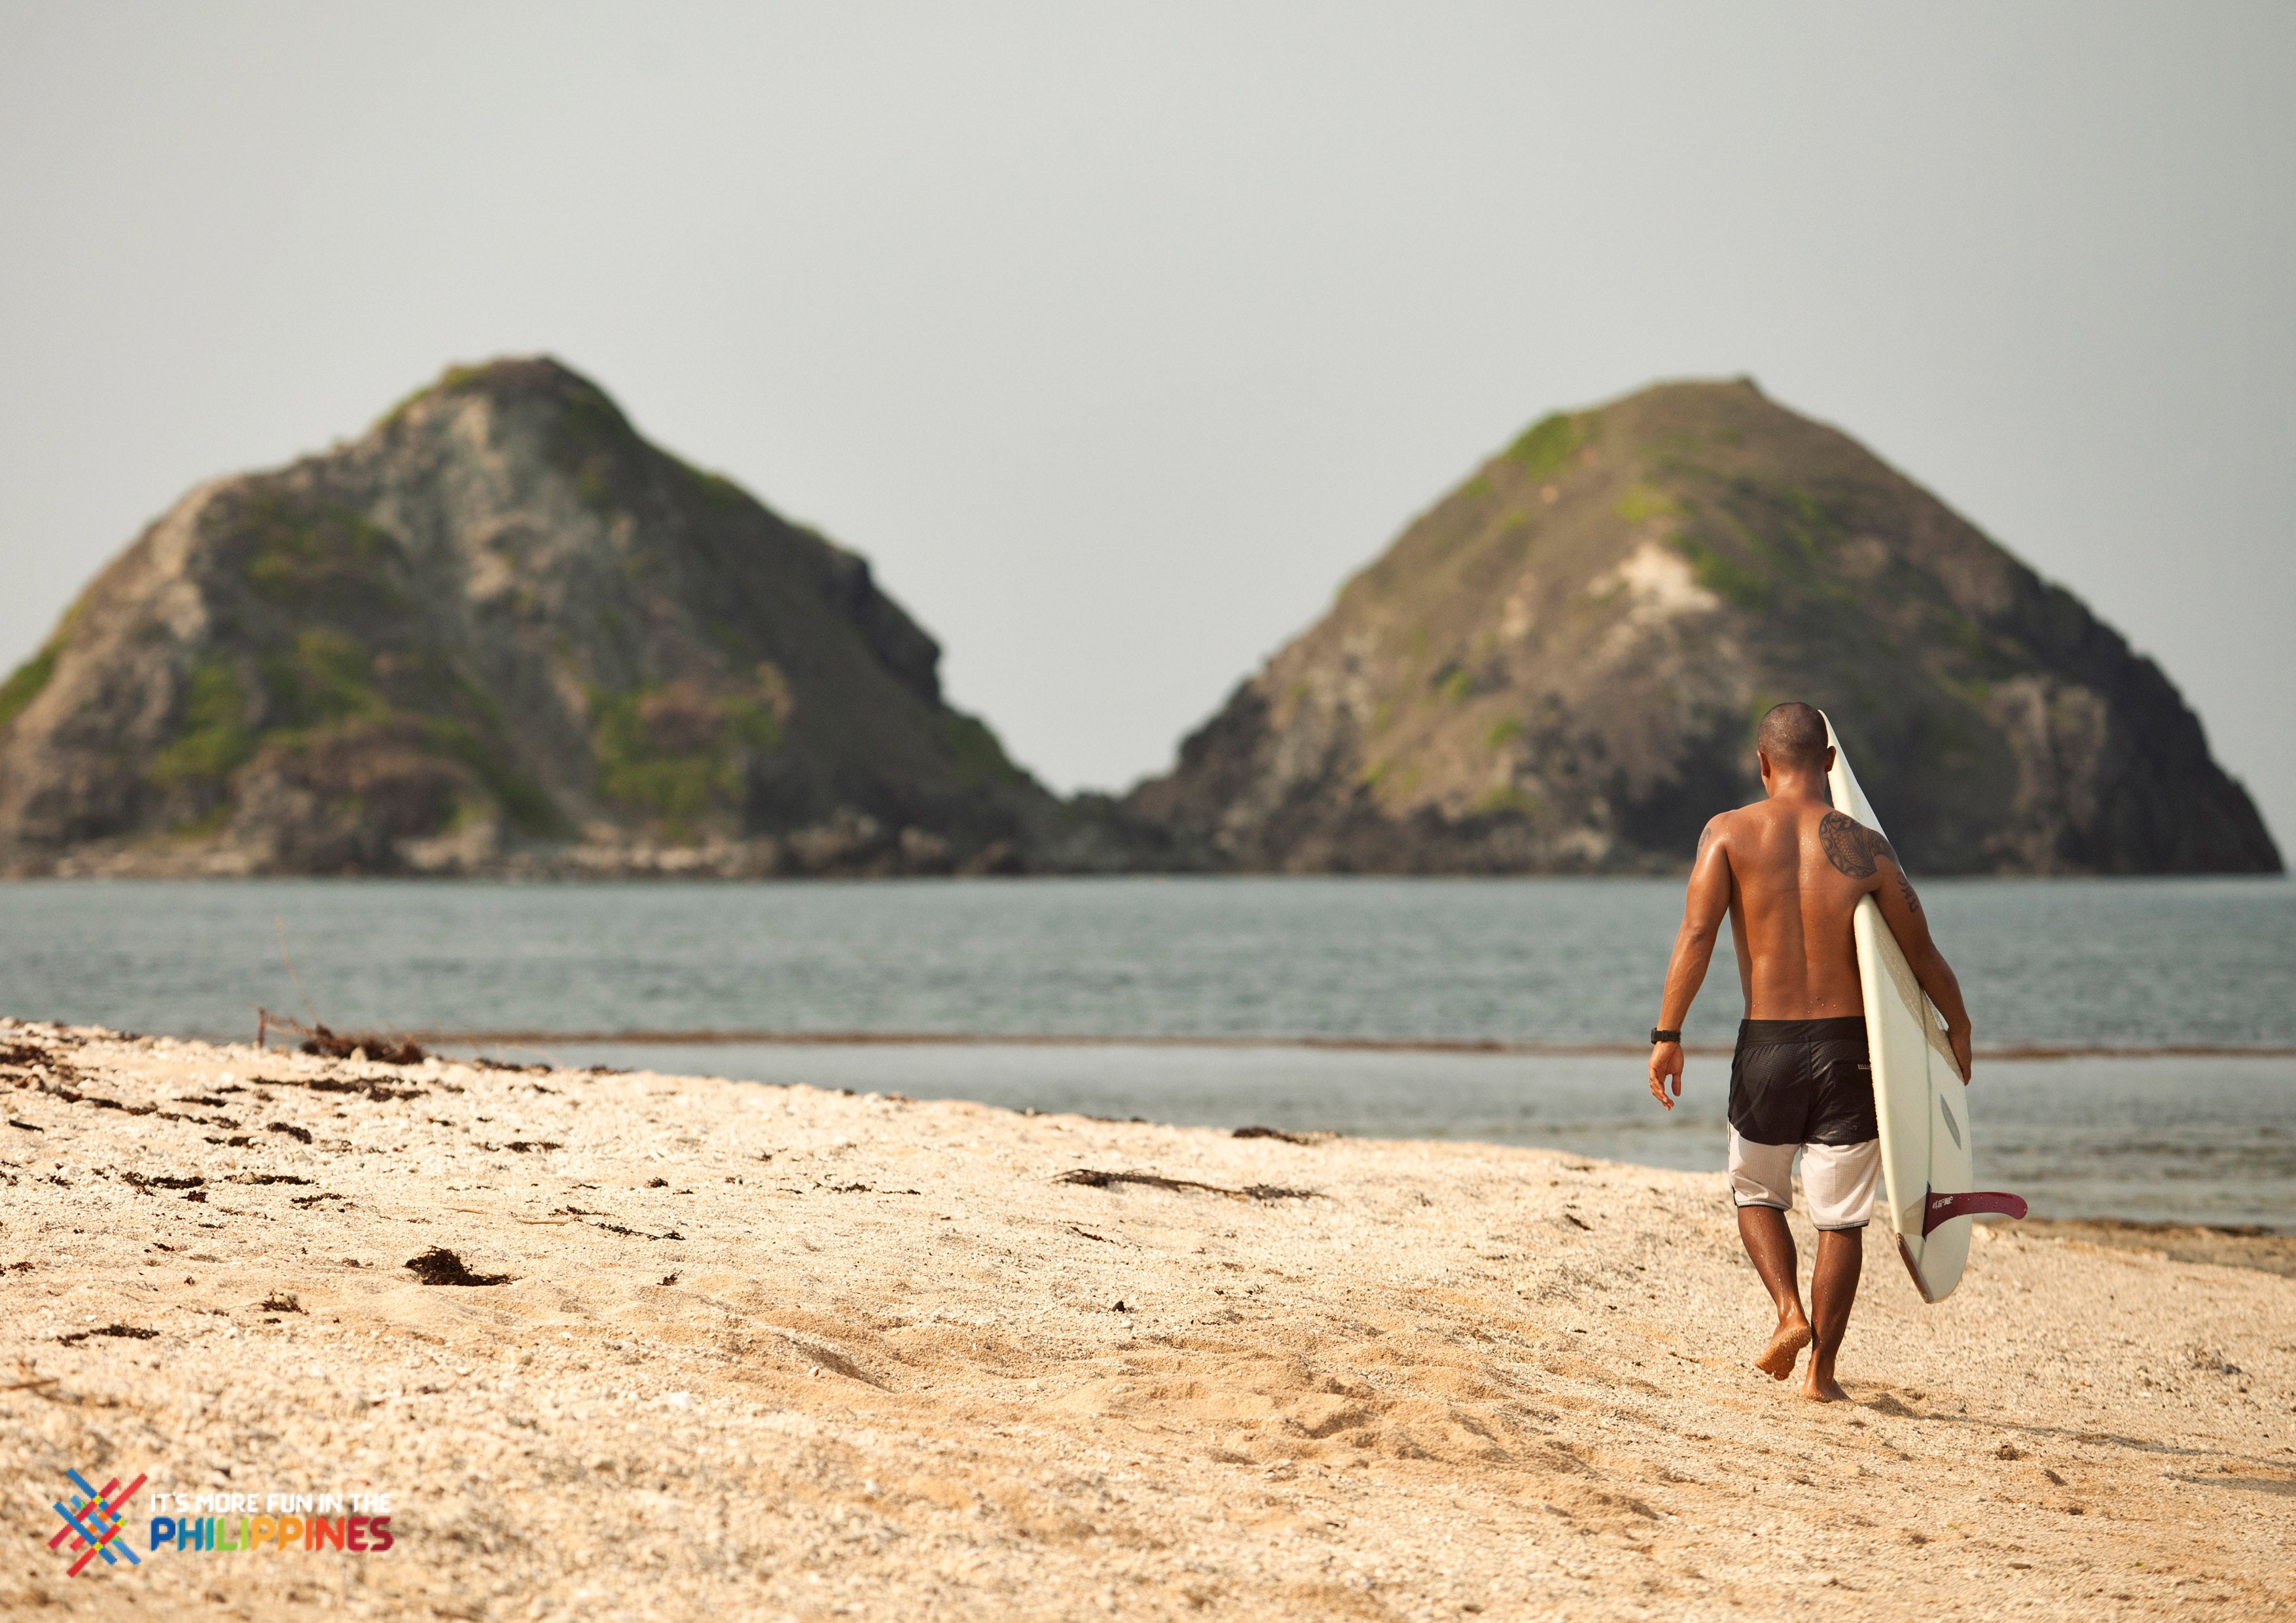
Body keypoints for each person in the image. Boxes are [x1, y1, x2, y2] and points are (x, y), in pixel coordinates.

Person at [1645, 702, 1972, 1402]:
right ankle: (1821, 1376)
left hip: (1766, 1043)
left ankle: (1786, 1311)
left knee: (1756, 1191)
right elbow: (1922, 956)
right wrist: (1959, 1027)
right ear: (1829, 762)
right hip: (1849, 1049)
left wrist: (1667, 1035)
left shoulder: (1726, 833)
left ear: (1762, 762)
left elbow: (1695, 937)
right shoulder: (1867, 848)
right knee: (1840, 1216)